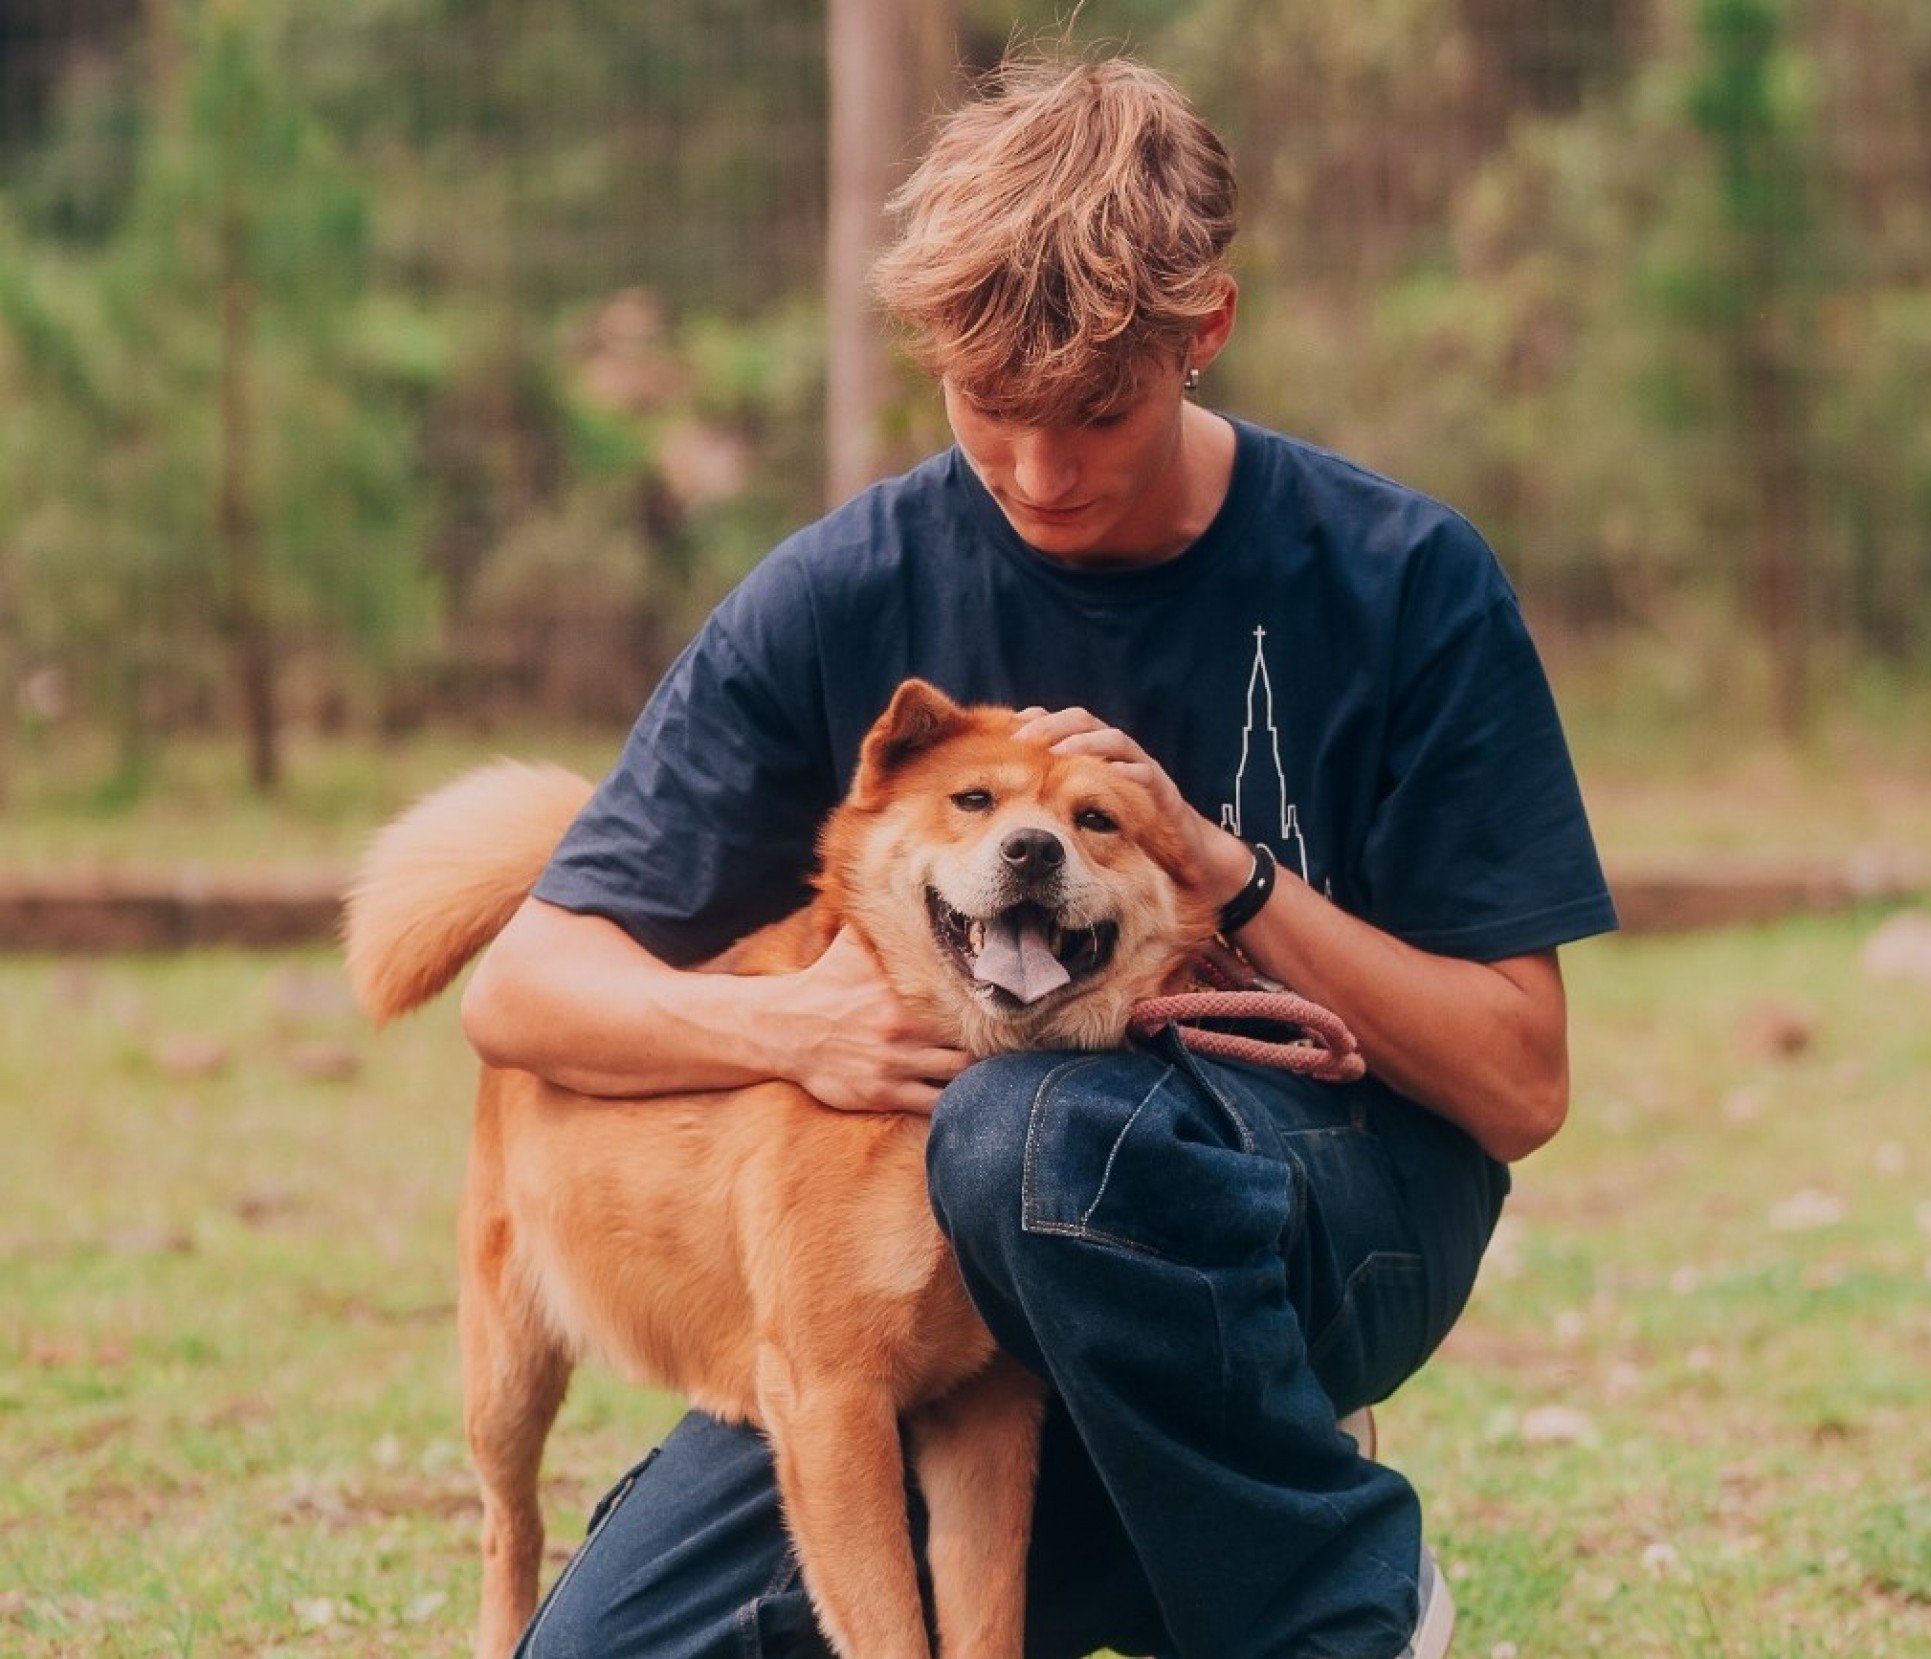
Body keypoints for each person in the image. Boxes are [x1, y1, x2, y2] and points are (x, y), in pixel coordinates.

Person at [461, 54, 1617, 1659]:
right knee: (612, 1650)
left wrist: (1227, 877)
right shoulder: (844, 590)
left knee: (1027, 1131)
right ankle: (1187, 1525)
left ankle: (1329, 1591)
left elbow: (1520, 1087)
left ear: (1201, 332)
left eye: (1096, 415)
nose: (1038, 474)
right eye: (989, 412)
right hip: (935, 1303)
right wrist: (782, 1025)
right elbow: (522, 988)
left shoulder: (1404, 580)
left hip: (1326, 1224)